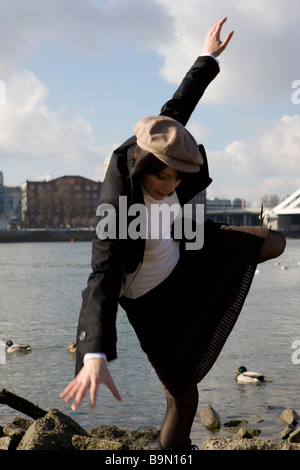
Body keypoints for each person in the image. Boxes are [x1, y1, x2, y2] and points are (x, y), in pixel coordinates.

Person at [60, 17, 286, 450]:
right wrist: (93, 353)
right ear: (143, 165)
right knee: (184, 397)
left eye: (178, 179)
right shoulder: (118, 203)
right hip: (151, 302)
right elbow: (102, 276)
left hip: (188, 257)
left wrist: (207, 57)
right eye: (162, 178)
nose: (170, 186)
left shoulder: (163, 136)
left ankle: (205, 313)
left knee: (274, 242)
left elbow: (180, 103)